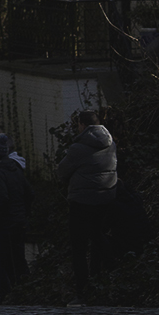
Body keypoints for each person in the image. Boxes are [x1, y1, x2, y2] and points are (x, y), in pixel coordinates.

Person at [56, 109, 117, 305]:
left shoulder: (78, 148)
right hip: (106, 199)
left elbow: (61, 172)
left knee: (79, 247)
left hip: (81, 201)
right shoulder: (111, 143)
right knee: (98, 240)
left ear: (82, 125)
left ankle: (82, 291)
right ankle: (101, 283)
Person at [0, 134, 33, 305]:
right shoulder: (16, 170)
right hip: (18, 221)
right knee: (18, 259)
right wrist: (24, 213)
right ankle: (24, 292)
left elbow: (2, 198)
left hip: (4, 224)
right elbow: (29, 193)